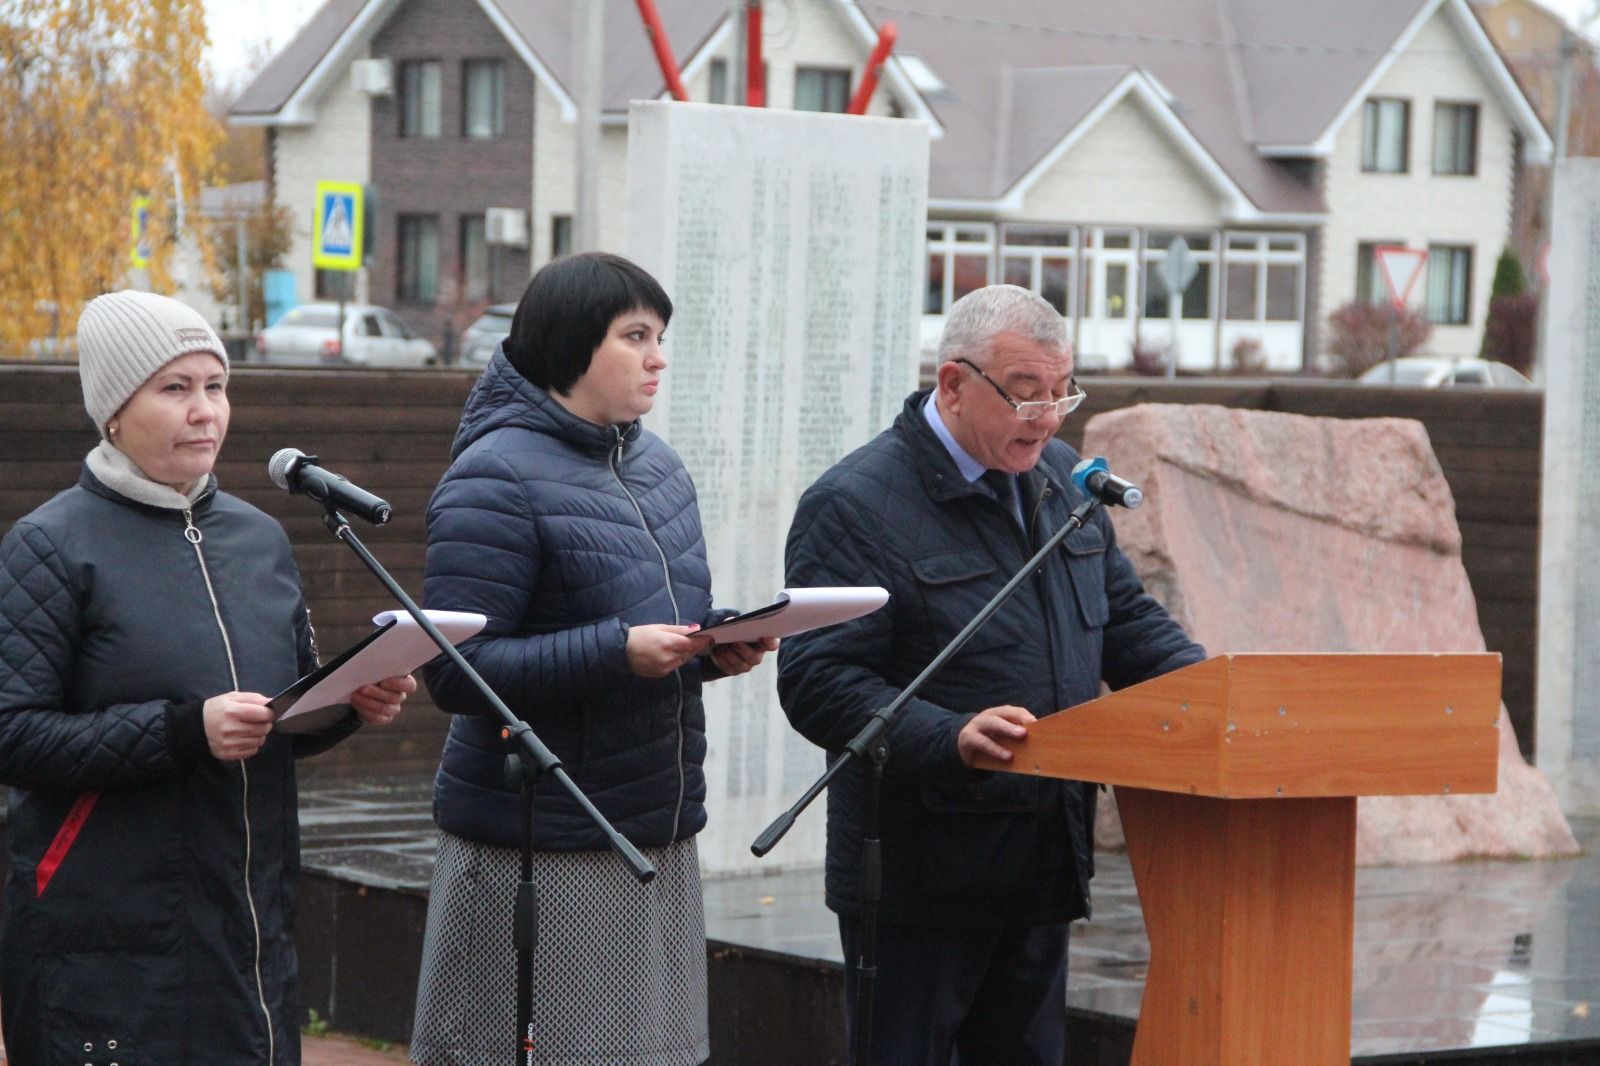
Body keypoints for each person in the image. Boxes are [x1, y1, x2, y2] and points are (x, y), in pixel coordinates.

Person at [776, 284, 1205, 1065]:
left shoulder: (1062, 480)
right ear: (953, 384)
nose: (1046, 416)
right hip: (920, 880)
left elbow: (1128, 624)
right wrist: (947, 736)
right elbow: (818, 679)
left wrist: (1215, 696)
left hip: (1041, 858)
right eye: (1025, 394)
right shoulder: (855, 504)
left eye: (1061, 393)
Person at [0, 291, 414, 1064]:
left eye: (215, 387)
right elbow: (14, 734)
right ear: (114, 412)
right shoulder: (50, 547)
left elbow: (274, 719)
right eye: (175, 389)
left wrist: (347, 704)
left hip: (247, 928)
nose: (205, 412)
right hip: (110, 944)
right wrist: (184, 730)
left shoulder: (258, 540)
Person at [410, 252, 775, 1066]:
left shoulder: (658, 468)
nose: (658, 356)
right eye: (634, 336)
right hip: (543, 837)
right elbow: (455, 671)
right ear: (572, 345)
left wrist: (712, 647)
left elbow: (655, 631)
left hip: (652, 825)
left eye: (661, 335)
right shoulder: (494, 477)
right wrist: (616, 655)